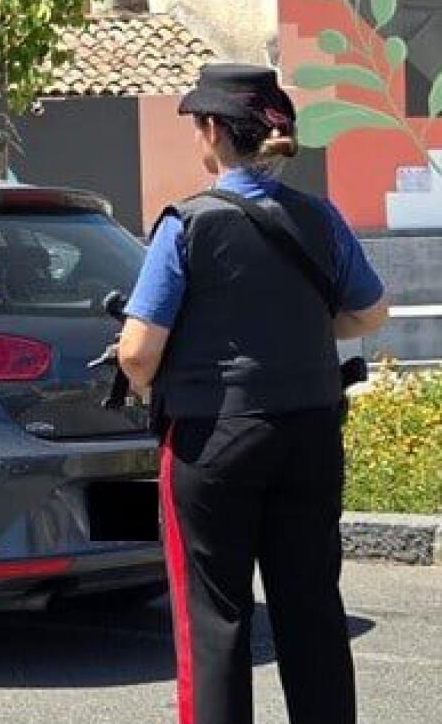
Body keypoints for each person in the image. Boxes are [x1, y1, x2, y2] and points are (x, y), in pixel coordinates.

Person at [117, 63, 389, 724]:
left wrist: (148, 381)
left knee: (216, 620)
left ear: (212, 131)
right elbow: (369, 312)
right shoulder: (321, 218)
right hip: (311, 432)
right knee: (311, 611)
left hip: (215, 441)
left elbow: (136, 351)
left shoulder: (187, 223)